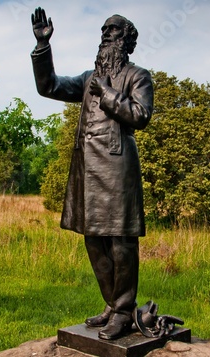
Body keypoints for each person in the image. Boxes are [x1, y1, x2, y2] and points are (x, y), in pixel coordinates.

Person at [30, 7, 154, 340]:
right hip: (87, 170)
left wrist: (108, 93)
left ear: (125, 42)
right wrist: (43, 47)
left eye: (111, 33)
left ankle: (125, 311)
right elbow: (50, 86)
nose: (104, 38)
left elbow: (140, 115)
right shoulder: (88, 78)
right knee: (93, 240)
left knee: (120, 241)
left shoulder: (137, 76)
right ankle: (113, 305)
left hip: (116, 168)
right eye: (102, 33)